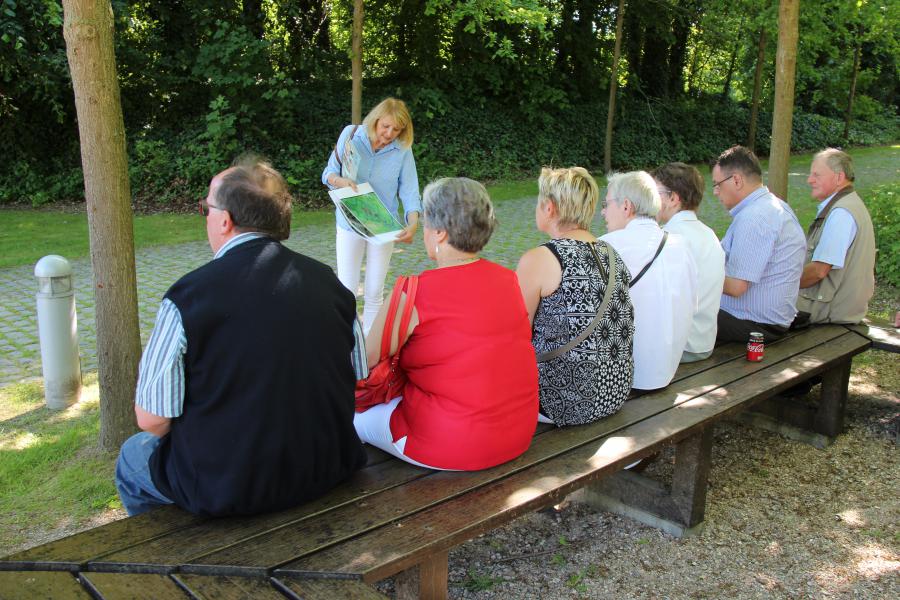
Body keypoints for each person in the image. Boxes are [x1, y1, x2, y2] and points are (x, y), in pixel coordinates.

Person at [115, 158, 367, 517]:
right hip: (327, 466)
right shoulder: (331, 284)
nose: (206, 216)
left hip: (231, 487)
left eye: (206, 207)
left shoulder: (186, 298)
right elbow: (358, 376)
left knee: (133, 455)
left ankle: (167, 554)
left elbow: (152, 420)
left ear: (225, 220)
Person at [353, 177, 538, 470]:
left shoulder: (412, 292)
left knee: (354, 419)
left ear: (439, 232)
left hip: (452, 444)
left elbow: (365, 362)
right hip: (518, 432)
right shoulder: (509, 280)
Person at [516, 167, 634, 425]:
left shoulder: (539, 259)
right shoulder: (612, 254)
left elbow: (516, 335)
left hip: (561, 401)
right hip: (615, 392)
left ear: (549, 208)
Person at [323, 97, 422, 333]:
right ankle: (347, 345)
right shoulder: (351, 135)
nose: (389, 133)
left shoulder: (402, 150)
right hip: (349, 221)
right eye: (385, 126)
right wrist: (340, 181)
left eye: (396, 129)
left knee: (375, 291)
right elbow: (327, 173)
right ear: (375, 120)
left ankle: (369, 352)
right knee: (346, 289)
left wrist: (413, 223)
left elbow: (409, 190)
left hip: (382, 225)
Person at [600, 171, 698, 391]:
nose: (603, 213)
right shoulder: (681, 245)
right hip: (667, 369)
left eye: (606, 204)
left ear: (626, 206)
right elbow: (693, 304)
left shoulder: (606, 246)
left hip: (622, 377)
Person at [712, 145, 806, 343]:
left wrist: (695, 277)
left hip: (756, 325)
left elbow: (736, 287)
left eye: (717, 184)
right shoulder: (773, 206)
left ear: (736, 180)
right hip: (767, 319)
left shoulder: (755, 217)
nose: (715, 192)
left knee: (671, 312)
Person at [652, 162, 725, 362]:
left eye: (653, 193)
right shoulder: (708, 234)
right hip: (704, 342)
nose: (649, 201)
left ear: (673, 198)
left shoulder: (669, 238)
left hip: (679, 348)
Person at [796, 148, 875, 324]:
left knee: (750, 305)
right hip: (838, 307)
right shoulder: (847, 204)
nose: (809, 180)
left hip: (829, 311)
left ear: (839, 177)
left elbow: (818, 271)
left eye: (816, 175)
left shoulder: (841, 213)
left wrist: (781, 284)